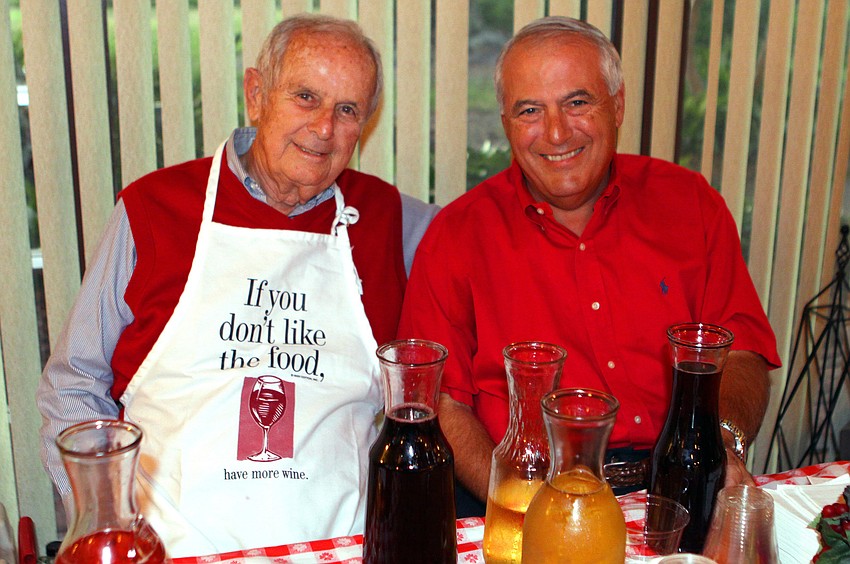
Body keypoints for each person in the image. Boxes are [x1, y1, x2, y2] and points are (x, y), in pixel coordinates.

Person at [37, 14, 438, 557]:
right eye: (305, 96)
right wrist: (104, 524)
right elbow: (72, 385)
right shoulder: (153, 210)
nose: (324, 128)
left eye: (347, 110)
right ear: (256, 93)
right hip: (168, 550)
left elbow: (485, 248)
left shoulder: (393, 220)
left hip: (340, 548)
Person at [398, 16, 781, 516]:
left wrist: (718, 443)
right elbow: (443, 404)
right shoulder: (455, 235)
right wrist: (516, 498)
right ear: (506, 123)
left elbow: (744, 351)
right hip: (525, 492)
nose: (556, 133)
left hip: (676, 485)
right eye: (530, 110)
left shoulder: (690, 204)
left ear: (617, 104)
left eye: (577, 102)